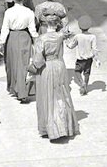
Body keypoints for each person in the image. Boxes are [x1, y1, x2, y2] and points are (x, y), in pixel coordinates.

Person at [30, 13, 78, 143]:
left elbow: (38, 60)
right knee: (61, 94)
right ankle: (65, 125)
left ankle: (52, 128)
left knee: (48, 96)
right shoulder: (60, 36)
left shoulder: (42, 39)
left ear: (45, 24)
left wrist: (32, 67)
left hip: (47, 67)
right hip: (59, 65)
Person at [0, 0, 39, 104]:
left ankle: (17, 89)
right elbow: (33, 31)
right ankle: (25, 90)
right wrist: (36, 43)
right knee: (24, 64)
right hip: (25, 37)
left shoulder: (8, 12)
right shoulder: (29, 12)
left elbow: (4, 29)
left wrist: (1, 43)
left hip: (12, 38)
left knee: (13, 64)